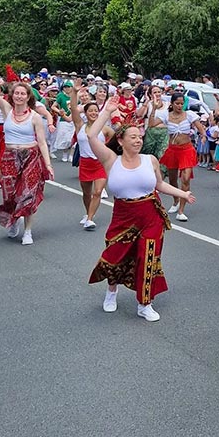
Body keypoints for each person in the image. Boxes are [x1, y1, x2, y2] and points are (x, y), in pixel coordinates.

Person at [86, 95, 196, 321]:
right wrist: (107, 111)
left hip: (150, 215)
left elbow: (159, 185)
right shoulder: (110, 159)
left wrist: (182, 193)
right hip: (123, 216)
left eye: (140, 137)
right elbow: (90, 135)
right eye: (133, 137)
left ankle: (145, 303)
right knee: (115, 255)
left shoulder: (150, 160)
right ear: (121, 140)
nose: (138, 140)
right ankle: (111, 291)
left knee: (148, 257)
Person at [0, 77, 53, 245]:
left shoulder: (35, 116)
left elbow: (42, 142)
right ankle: (13, 220)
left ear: (28, 96)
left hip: (30, 156)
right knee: (10, 195)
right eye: (16, 93)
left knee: (28, 194)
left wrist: (48, 164)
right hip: (9, 156)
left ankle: (27, 231)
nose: (19, 96)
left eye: (23, 93)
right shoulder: (6, 109)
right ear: (12, 95)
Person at [160, 92, 205, 221]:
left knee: (185, 179)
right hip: (173, 150)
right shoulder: (166, 116)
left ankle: (181, 211)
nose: (180, 106)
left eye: (181, 103)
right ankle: (176, 200)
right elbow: (152, 123)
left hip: (186, 150)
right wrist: (153, 107)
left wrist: (203, 136)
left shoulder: (189, 115)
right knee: (172, 180)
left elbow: (200, 128)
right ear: (172, 104)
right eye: (177, 103)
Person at [71, 94, 113, 231]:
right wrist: (74, 92)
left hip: (100, 163)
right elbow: (73, 109)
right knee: (86, 193)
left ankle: (89, 219)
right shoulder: (80, 126)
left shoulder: (105, 129)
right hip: (85, 164)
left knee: (98, 191)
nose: (94, 113)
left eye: (96, 111)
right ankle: (88, 212)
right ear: (86, 113)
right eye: (91, 111)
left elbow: (116, 139)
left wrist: (108, 152)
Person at [52, 80, 76, 162]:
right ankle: (65, 154)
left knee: (73, 138)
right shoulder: (61, 96)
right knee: (65, 138)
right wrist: (60, 112)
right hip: (63, 119)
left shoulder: (75, 96)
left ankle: (71, 155)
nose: (67, 88)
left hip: (74, 119)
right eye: (65, 87)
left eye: (68, 87)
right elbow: (53, 106)